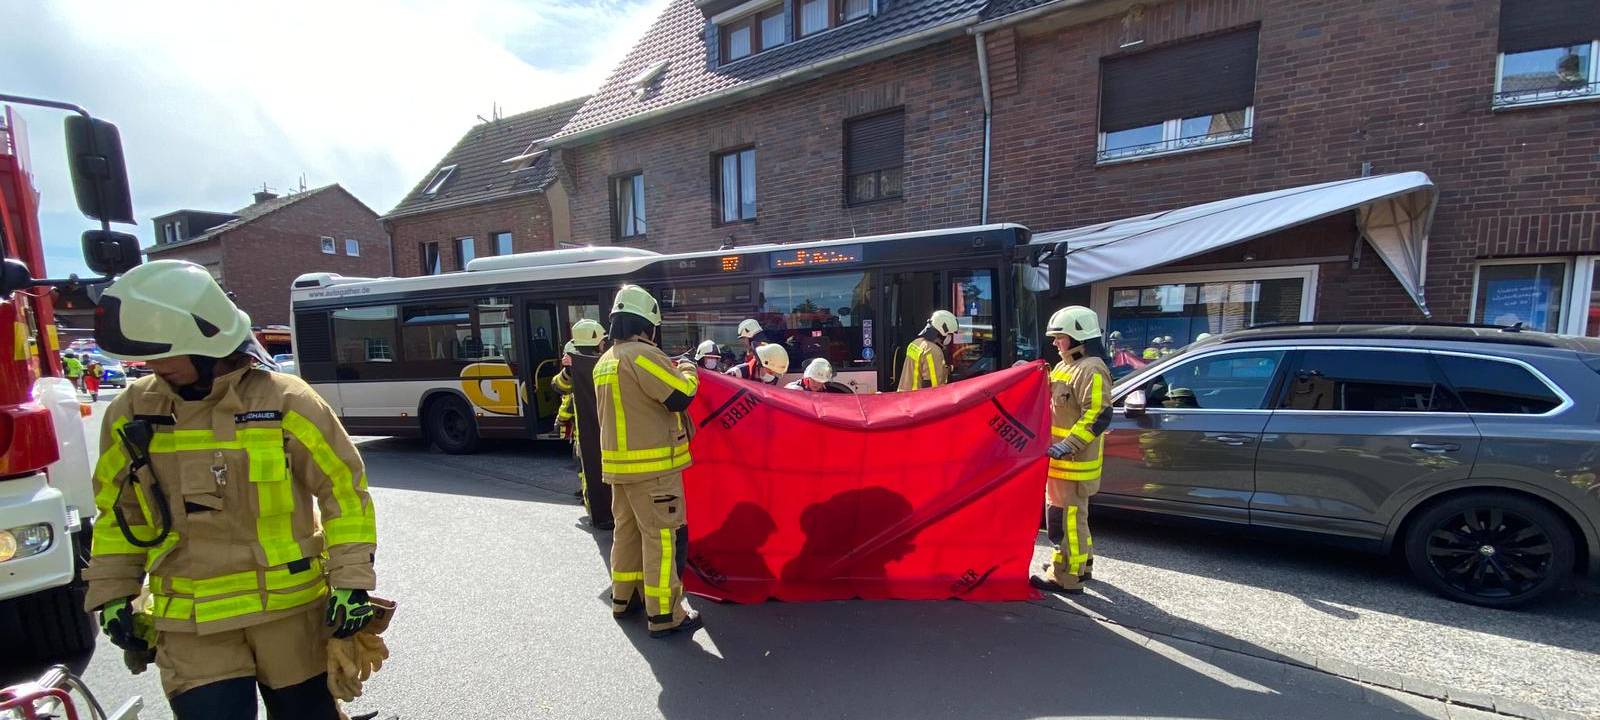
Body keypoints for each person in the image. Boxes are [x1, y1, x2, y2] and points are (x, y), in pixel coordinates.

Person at [86, 260, 378, 719]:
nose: (154, 367)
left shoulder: (286, 401)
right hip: (192, 626)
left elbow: (345, 492)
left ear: (207, 342)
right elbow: (119, 513)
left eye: (164, 353)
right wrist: (112, 595)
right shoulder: (131, 412)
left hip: (290, 619)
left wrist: (351, 585)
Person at [594, 285, 703, 638]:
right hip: (654, 471)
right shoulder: (642, 356)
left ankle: (623, 600)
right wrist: (688, 368)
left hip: (620, 470)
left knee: (625, 534)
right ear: (648, 324)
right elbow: (680, 395)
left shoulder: (604, 361)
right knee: (661, 539)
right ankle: (665, 614)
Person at [1032, 305, 1112, 595]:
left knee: (1067, 522)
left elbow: (1098, 416)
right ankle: (1081, 564)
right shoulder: (1066, 366)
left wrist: (1068, 445)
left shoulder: (1092, 369)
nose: (1055, 343)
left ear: (1079, 337)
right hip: (1060, 463)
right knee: (1071, 518)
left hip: (1074, 463)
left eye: (1060, 337)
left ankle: (1067, 576)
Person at [554, 319, 608, 520]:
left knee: (590, 472)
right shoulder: (599, 363)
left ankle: (597, 511)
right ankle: (597, 511)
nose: (604, 344)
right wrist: (568, 371)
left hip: (592, 432)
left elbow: (559, 389)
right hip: (597, 431)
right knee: (591, 473)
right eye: (601, 340)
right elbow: (559, 386)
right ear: (594, 341)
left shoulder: (595, 363)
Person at [897, 310, 959, 392]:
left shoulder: (916, 343)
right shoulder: (933, 350)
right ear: (943, 331)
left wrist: (949, 369)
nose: (950, 338)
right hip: (918, 400)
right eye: (950, 334)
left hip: (904, 396)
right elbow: (934, 385)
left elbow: (919, 368)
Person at [785, 358, 852, 393]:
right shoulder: (795, 390)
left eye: (819, 381)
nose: (816, 384)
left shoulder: (823, 390)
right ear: (808, 377)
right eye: (813, 380)